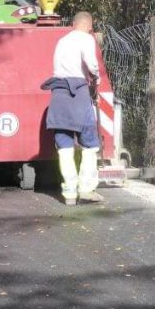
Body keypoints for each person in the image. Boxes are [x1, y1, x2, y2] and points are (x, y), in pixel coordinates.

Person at [41, 11, 103, 205]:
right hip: (77, 92)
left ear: (73, 23)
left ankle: (69, 193)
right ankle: (86, 188)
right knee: (90, 143)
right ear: (89, 26)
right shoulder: (86, 38)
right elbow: (91, 64)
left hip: (58, 93)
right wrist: (97, 78)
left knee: (64, 144)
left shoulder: (62, 41)